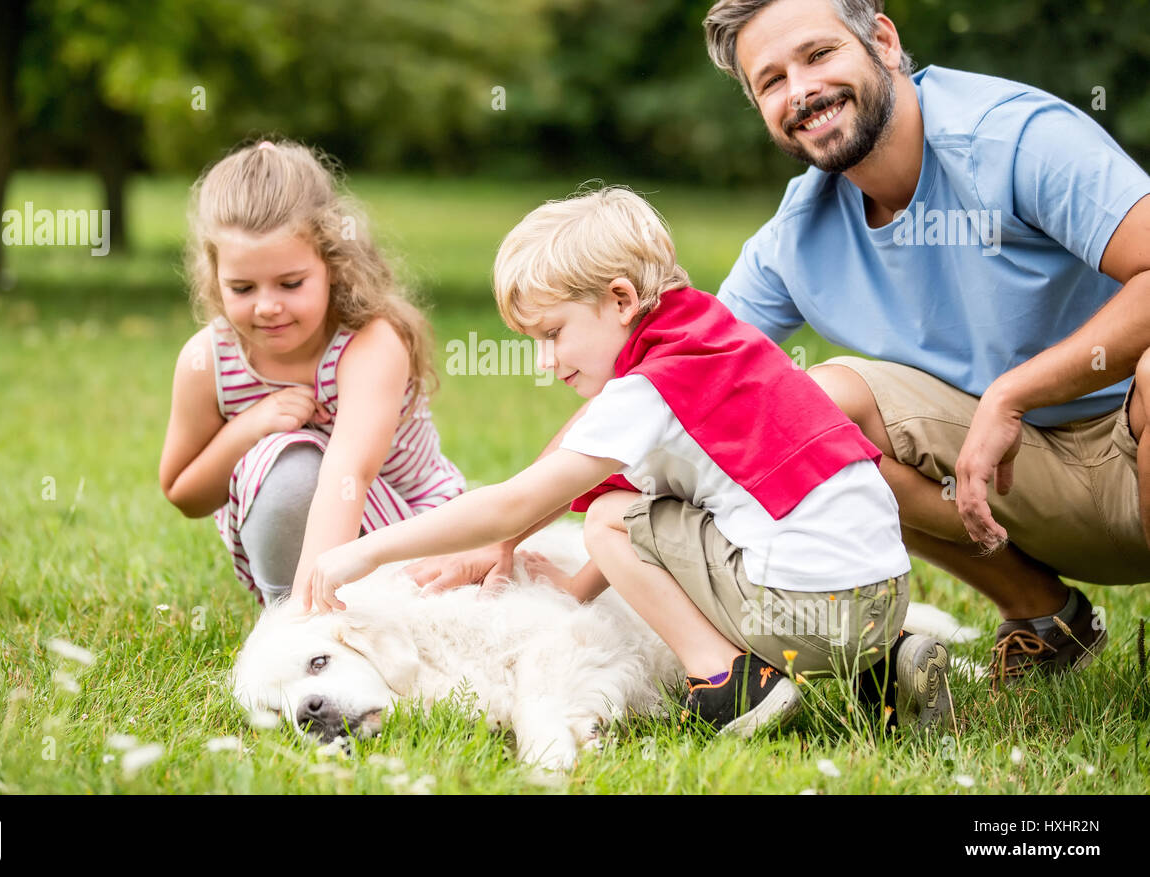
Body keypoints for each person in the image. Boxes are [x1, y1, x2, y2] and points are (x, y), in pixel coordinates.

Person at [306, 187, 952, 736]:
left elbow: (520, 502)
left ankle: (730, 684)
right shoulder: (714, 339)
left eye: (552, 334)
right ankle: (879, 672)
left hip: (808, 612)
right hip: (878, 599)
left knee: (611, 516)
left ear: (619, 300)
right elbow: (677, 513)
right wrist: (577, 591)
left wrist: (368, 552)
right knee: (671, 515)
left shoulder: (649, 388)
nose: (546, 362)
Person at [701, 0, 1150, 689]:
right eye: (772, 81)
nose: (802, 91)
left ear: (882, 41)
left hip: (1129, 446)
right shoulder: (797, 235)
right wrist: (511, 526)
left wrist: (1016, 392)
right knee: (811, 404)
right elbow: (682, 384)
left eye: (818, 55)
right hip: (1011, 491)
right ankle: (1046, 620)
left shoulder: (1014, 137)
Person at [158, 139, 466, 605]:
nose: (267, 306)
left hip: (419, 536)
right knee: (286, 461)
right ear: (214, 274)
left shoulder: (369, 340)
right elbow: (184, 493)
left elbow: (349, 472)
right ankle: (296, 613)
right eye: (241, 287)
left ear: (333, 266)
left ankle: (309, 618)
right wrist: (250, 426)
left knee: (299, 465)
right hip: (312, 540)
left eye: (291, 283)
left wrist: (308, 615)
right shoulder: (209, 360)